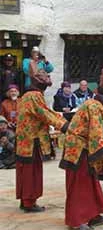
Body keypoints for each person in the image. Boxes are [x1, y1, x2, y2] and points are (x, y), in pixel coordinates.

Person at [59, 69, 103, 230]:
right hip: (77, 149)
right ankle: (76, 221)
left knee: (89, 181)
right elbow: (95, 130)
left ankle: (92, 214)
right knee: (80, 184)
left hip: (83, 148)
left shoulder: (95, 105)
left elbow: (98, 127)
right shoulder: (95, 106)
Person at [15, 69, 68, 213]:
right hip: (32, 140)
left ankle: (25, 200)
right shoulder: (35, 95)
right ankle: (29, 202)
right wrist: (64, 125)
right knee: (31, 171)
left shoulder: (27, 95)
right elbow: (44, 113)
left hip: (25, 140)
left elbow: (45, 112)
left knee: (25, 171)